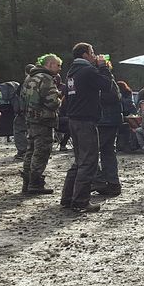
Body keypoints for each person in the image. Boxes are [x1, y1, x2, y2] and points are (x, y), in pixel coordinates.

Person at [61, 42, 106, 212]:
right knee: (88, 162)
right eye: (92, 52)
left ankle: (67, 197)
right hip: (86, 120)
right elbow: (105, 84)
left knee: (79, 161)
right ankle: (80, 201)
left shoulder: (71, 72)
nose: (95, 55)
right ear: (85, 54)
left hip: (74, 120)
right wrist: (103, 67)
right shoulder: (87, 70)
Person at [20, 54, 61, 195]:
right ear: (49, 64)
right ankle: (35, 182)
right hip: (44, 120)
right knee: (41, 151)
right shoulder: (46, 79)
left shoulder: (29, 78)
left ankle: (26, 181)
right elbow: (52, 101)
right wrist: (60, 99)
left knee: (30, 149)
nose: (59, 68)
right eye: (58, 65)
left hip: (30, 119)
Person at [93, 57, 124, 197]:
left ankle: (100, 180)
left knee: (91, 152)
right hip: (110, 120)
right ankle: (111, 183)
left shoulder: (105, 81)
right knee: (107, 152)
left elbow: (109, 98)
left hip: (105, 121)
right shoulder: (111, 80)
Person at [12, 63, 34, 161]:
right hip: (34, 111)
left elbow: (21, 97)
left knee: (19, 130)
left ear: (25, 72)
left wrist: (20, 110)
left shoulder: (25, 82)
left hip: (24, 111)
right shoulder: (38, 81)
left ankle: (22, 151)